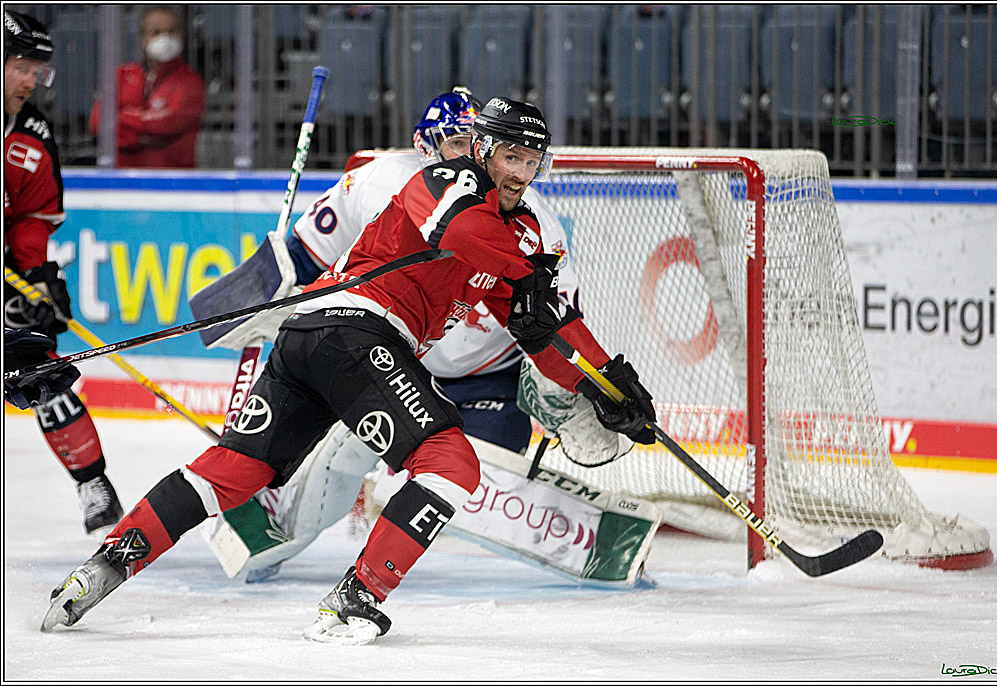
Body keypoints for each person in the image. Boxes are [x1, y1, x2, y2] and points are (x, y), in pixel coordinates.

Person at [42, 97, 657, 645]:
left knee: (240, 468)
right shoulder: (447, 181)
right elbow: (463, 233)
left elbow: (540, 329)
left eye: (533, 161)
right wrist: (533, 279)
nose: (522, 173)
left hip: (319, 342)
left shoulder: (519, 236)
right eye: (512, 156)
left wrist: (609, 385)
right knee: (451, 461)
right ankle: (356, 599)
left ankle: (105, 565)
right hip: (354, 331)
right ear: (485, 150)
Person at [200, 89, 624, 584]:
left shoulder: (536, 223)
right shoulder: (377, 182)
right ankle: (281, 516)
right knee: (337, 454)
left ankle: (579, 534)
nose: (470, 154)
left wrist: (584, 386)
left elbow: (553, 321)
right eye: (460, 142)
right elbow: (301, 255)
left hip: (490, 382)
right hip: (391, 358)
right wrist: (258, 293)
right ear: (427, 147)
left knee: (473, 474)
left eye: (477, 142)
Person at [4, 10, 124, 537]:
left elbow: (31, 216)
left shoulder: (30, 134)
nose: (32, 80)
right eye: (22, 66)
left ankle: (93, 485)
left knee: (38, 363)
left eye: (38, 70)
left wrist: (36, 277)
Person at [88, 5, 205, 168]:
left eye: (172, 31)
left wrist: (122, 118)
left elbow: (170, 124)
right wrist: (142, 137)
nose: (165, 38)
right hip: (121, 180)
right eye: (156, 32)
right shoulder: (121, 75)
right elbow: (97, 123)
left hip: (173, 181)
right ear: (144, 38)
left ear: (182, 36)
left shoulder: (191, 81)